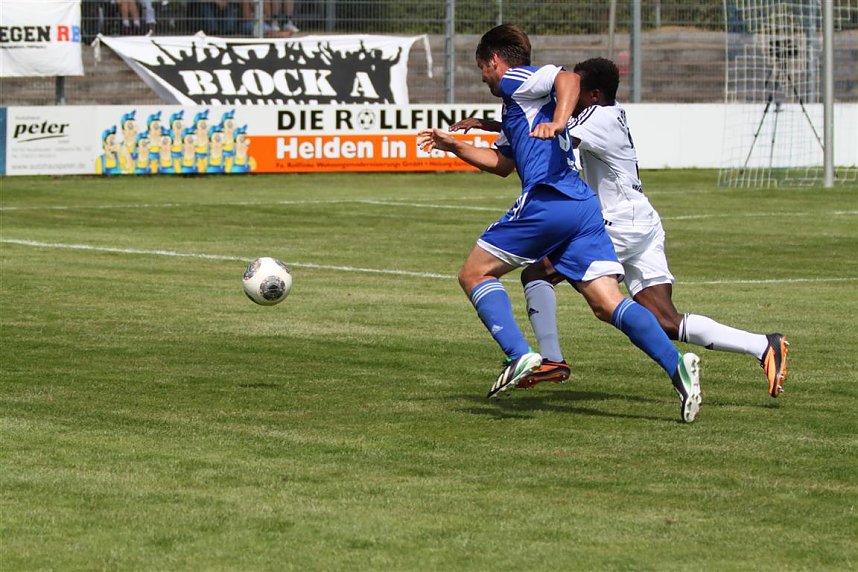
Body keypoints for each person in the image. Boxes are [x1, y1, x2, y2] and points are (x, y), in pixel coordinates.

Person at [451, 57, 789, 398]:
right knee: (664, 319)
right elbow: (537, 127)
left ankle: (551, 360)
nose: (569, 94)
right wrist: (489, 122)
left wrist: (506, 123)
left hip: (616, 223)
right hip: (641, 220)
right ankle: (763, 345)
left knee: (537, 273)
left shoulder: (597, 119)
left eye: (579, 88)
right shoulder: (608, 111)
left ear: (595, 94)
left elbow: (549, 135)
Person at [417, 25, 703, 423]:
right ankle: (678, 367)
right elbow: (503, 165)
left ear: (494, 61)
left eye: (483, 68)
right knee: (607, 304)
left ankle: (520, 355)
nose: (483, 76)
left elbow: (567, 76)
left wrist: (559, 122)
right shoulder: (520, 105)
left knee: (474, 274)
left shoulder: (517, 80)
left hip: (549, 199)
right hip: (582, 208)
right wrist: (456, 146)